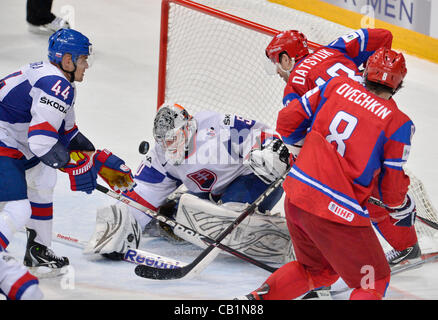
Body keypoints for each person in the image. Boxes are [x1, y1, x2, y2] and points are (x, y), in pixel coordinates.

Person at [240, 48, 414, 300]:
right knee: (373, 280)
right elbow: (391, 192)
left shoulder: (336, 86)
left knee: (316, 270)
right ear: (399, 85)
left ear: (364, 73)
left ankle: (253, 301)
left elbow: (288, 121)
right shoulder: (399, 123)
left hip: (297, 196)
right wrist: (402, 206)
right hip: (337, 212)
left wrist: (302, 152)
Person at [265, 28, 420, 267]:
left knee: (346, 193)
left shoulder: (294, 84)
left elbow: (290, 122)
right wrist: (375, 72)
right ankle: (406, 243)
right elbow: (384, 36)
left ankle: (318, 263)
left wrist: (298, 155)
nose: (277, 70)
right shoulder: (333, 48)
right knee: (378, 187)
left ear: (287, 58)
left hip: (350, 140)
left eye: (277, 61)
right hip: (383, 116)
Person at [0, 28, 135, 297]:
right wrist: (74, 168)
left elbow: (66, 133)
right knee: (17, 208)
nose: (87, 65)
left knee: (43, 180)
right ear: (68, 60)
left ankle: (38, 250)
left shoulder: (62, 82)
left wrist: (95, 159)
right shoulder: (56, 84)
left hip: (14, 140)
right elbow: (40, 143)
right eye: (83, 59)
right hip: (6, 142)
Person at [84, 102, 293, 265]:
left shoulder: (216, 127)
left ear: (187, 128)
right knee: (180, 217)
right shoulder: (161, 154)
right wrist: (123, 224)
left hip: (253, 179)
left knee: (227, 217)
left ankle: (281, 235)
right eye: (164, 142)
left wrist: (270, 150)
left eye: (173, 139)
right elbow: (144, 192)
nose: (169, 147)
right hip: (212, 192)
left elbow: (259, 134)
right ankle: (182, 212)